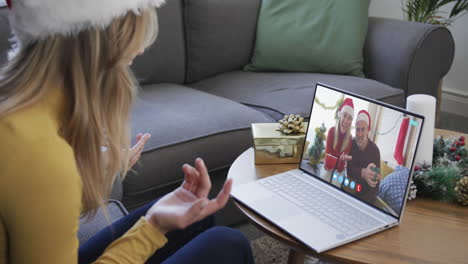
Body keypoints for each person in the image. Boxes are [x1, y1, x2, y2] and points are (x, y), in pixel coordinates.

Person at [0, 1, 254, 263]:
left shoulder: (19, 109)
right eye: (135, 29)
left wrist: (90, 176)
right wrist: (153, 229)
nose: (141, 48)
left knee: (191, 219)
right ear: (104, 36)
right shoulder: (37, 152)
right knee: (227, 244)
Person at [346, 110, 381, 204]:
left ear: (368, 130)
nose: (360, 134)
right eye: (357, 129)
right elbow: (348, 169)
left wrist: (365, 203)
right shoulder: (351, 144)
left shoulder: (375, 150)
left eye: (363, 129)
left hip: (366, 197)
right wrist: (363, 173)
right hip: (349, 190)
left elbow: (375, 183)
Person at [323, 98, 354, 182]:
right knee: (325, 176)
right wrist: (339, 158)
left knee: (336, 181)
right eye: (344, 115)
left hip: (339, 171)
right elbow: (328, 162)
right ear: (340, 115)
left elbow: (340, 169)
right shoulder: (331, 131)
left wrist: (341, 161)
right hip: (328, 168)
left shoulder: (350, 138)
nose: (346, 121)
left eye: (350, 118)